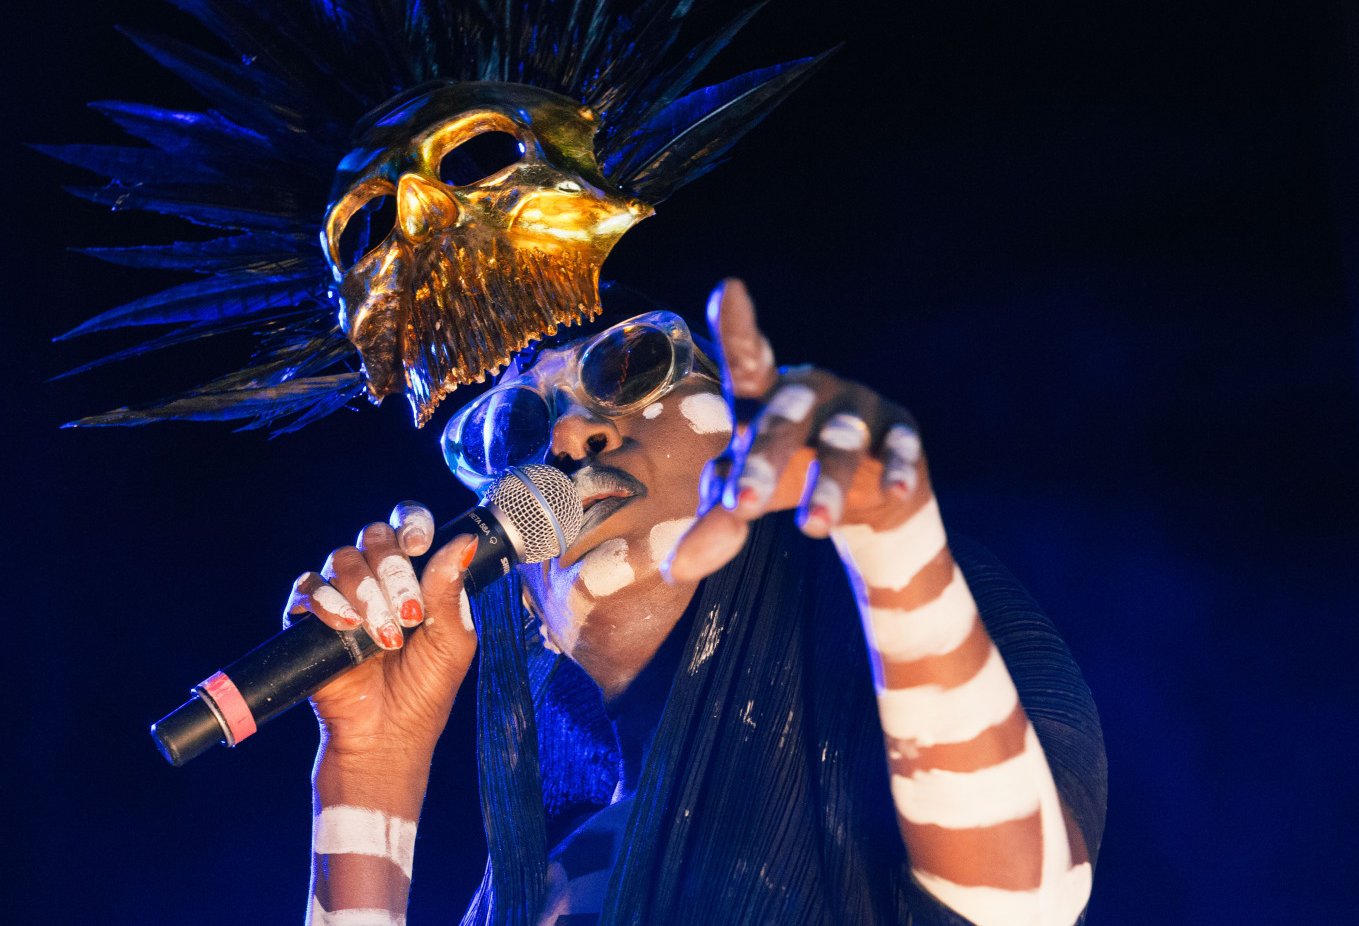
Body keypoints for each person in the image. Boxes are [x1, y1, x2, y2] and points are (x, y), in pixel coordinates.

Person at [287, 279, 1107, 926]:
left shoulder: (889, 711)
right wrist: (369, 773)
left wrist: (895, 536)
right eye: (519, 430)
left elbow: (1020, 899)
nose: (573, 437)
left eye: (629, 366)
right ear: (527, 604)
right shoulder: (543, 884)